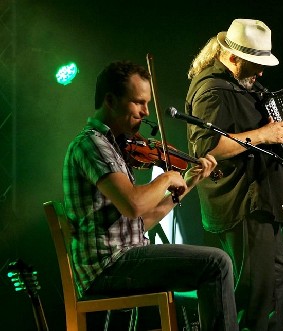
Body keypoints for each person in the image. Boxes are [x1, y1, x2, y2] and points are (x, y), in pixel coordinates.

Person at [62, 60, 239, 331]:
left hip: (123, 257)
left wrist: (190, 182)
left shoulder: (114, 147)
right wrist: (167, 177)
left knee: (214, 265)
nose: (146, 112)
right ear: (110, 100)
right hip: (108, 267)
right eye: (138, 103)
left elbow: (140, 222)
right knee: (216, 263)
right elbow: (133, 205)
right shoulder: (91, 144)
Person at [184, 18, 283, 331]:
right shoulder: (212, 90)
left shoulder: (238, 84)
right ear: (233, 57)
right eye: (255, 64)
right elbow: (208, 149)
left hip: (259, 203)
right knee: (256, 298)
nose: (261, 72)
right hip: (242, 206)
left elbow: (252, 132)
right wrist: (264, 134)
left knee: (273, 288)